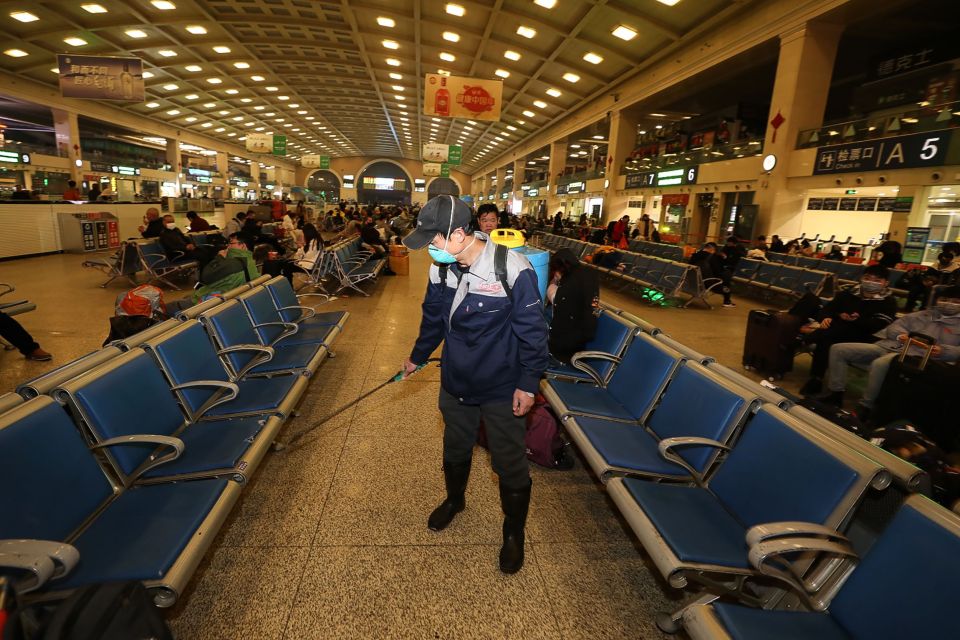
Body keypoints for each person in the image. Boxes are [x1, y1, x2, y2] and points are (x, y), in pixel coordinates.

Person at [402, 195, 548, 574]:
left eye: (435, 239)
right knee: (454, 444)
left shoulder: (510, 268)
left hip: (502, 385)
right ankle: (455, 500)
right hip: (456, 379)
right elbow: (433, 318)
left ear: (459, 234)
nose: (431, 248)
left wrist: (528, 384)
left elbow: (533, 334)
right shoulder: (441, 269)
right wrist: (417, 355)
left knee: (510, 462)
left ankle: (513, 534)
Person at [817, 285, 960, 416]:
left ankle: (866, 406)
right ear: (938, 300)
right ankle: (835, 394)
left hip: (917, 357)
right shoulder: (923, 314)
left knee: (881, 364)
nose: (949, 304)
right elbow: (895, 326)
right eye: (945, 299)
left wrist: (944, 351)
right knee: (839, 349)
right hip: (891, 346)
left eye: (955, 301)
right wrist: (899, 335)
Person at [799, 265, 898, 396]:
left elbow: (876, 325)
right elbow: (828, 309)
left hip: (866, 336)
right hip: (838, 332)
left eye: (877, 280)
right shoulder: (848, 294)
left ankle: (815, 375)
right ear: (862, 278)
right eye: (867, 278)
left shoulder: (888, 302)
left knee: (830, 335)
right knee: (829, 338)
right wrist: (829, 317)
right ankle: (816, 378)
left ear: (886, 283)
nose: (871, 283)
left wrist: (855, 320)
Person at [546, 248, 599, 364]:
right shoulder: (588, 273)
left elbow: (559, 303)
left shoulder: (570, 280)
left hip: (568, 345)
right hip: (579, 336)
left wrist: (554, 282)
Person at [192, 233, 259, 302]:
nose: (228, 246)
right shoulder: (251, 261)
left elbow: (205, 277)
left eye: (231, 243)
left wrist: (219, 258)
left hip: (215, 300)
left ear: (242, 245)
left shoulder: (232, 263)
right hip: (236, 298)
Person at [690, 242, 734, 307]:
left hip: (691, 281)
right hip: (706, 283)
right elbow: (718, 271)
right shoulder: (712, 258)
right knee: (726, 281)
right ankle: (727, 301)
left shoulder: (694, 255)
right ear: (712, 249)